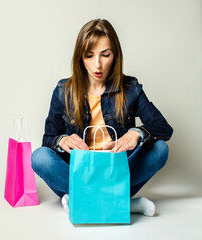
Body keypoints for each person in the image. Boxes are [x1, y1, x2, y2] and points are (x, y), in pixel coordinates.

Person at [31, 19, 173, 217]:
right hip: (80, 172)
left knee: (160, 149)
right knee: (39, 157)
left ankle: (83, 200)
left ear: (115, 55)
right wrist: (61, 140)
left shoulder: (131, 89)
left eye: (105, 55)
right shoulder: (63, 90)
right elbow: (47, 139)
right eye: (89, 56)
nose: (97, 64)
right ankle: (125, 204)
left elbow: (164, 128)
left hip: (117, 171)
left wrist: (137, 133)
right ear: (80, 57)